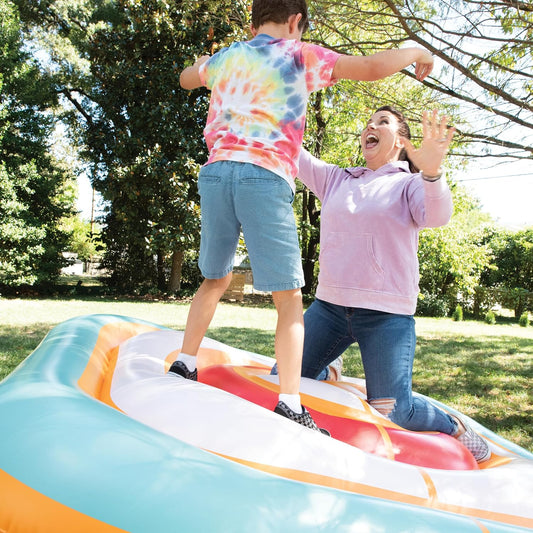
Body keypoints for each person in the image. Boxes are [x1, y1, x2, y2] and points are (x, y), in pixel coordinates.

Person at [171, 0, 434, 433]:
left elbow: (186, 80)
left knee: (214, 279)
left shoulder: (230, 56)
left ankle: (184, 362)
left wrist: (205, 65)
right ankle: (291, 404)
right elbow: (369, 67)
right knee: (289, 299)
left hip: (215, 174)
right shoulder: (298, 54)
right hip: (263, 175)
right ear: (295, 22)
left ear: (253, 21)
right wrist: (415, 50)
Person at [281, 106, 491, 461]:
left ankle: (452, 425)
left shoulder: (410, 184)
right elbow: (293, 151)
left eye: (382, 123)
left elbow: (438, 217)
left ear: (400, 142)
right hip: (330, 309)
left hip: (386, 317)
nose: (370, 127)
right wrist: (276, 101)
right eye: (368, 123)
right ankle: (329, 367)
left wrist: (433, 172)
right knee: (282, 378)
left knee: (392, 410)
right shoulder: (337, 178)